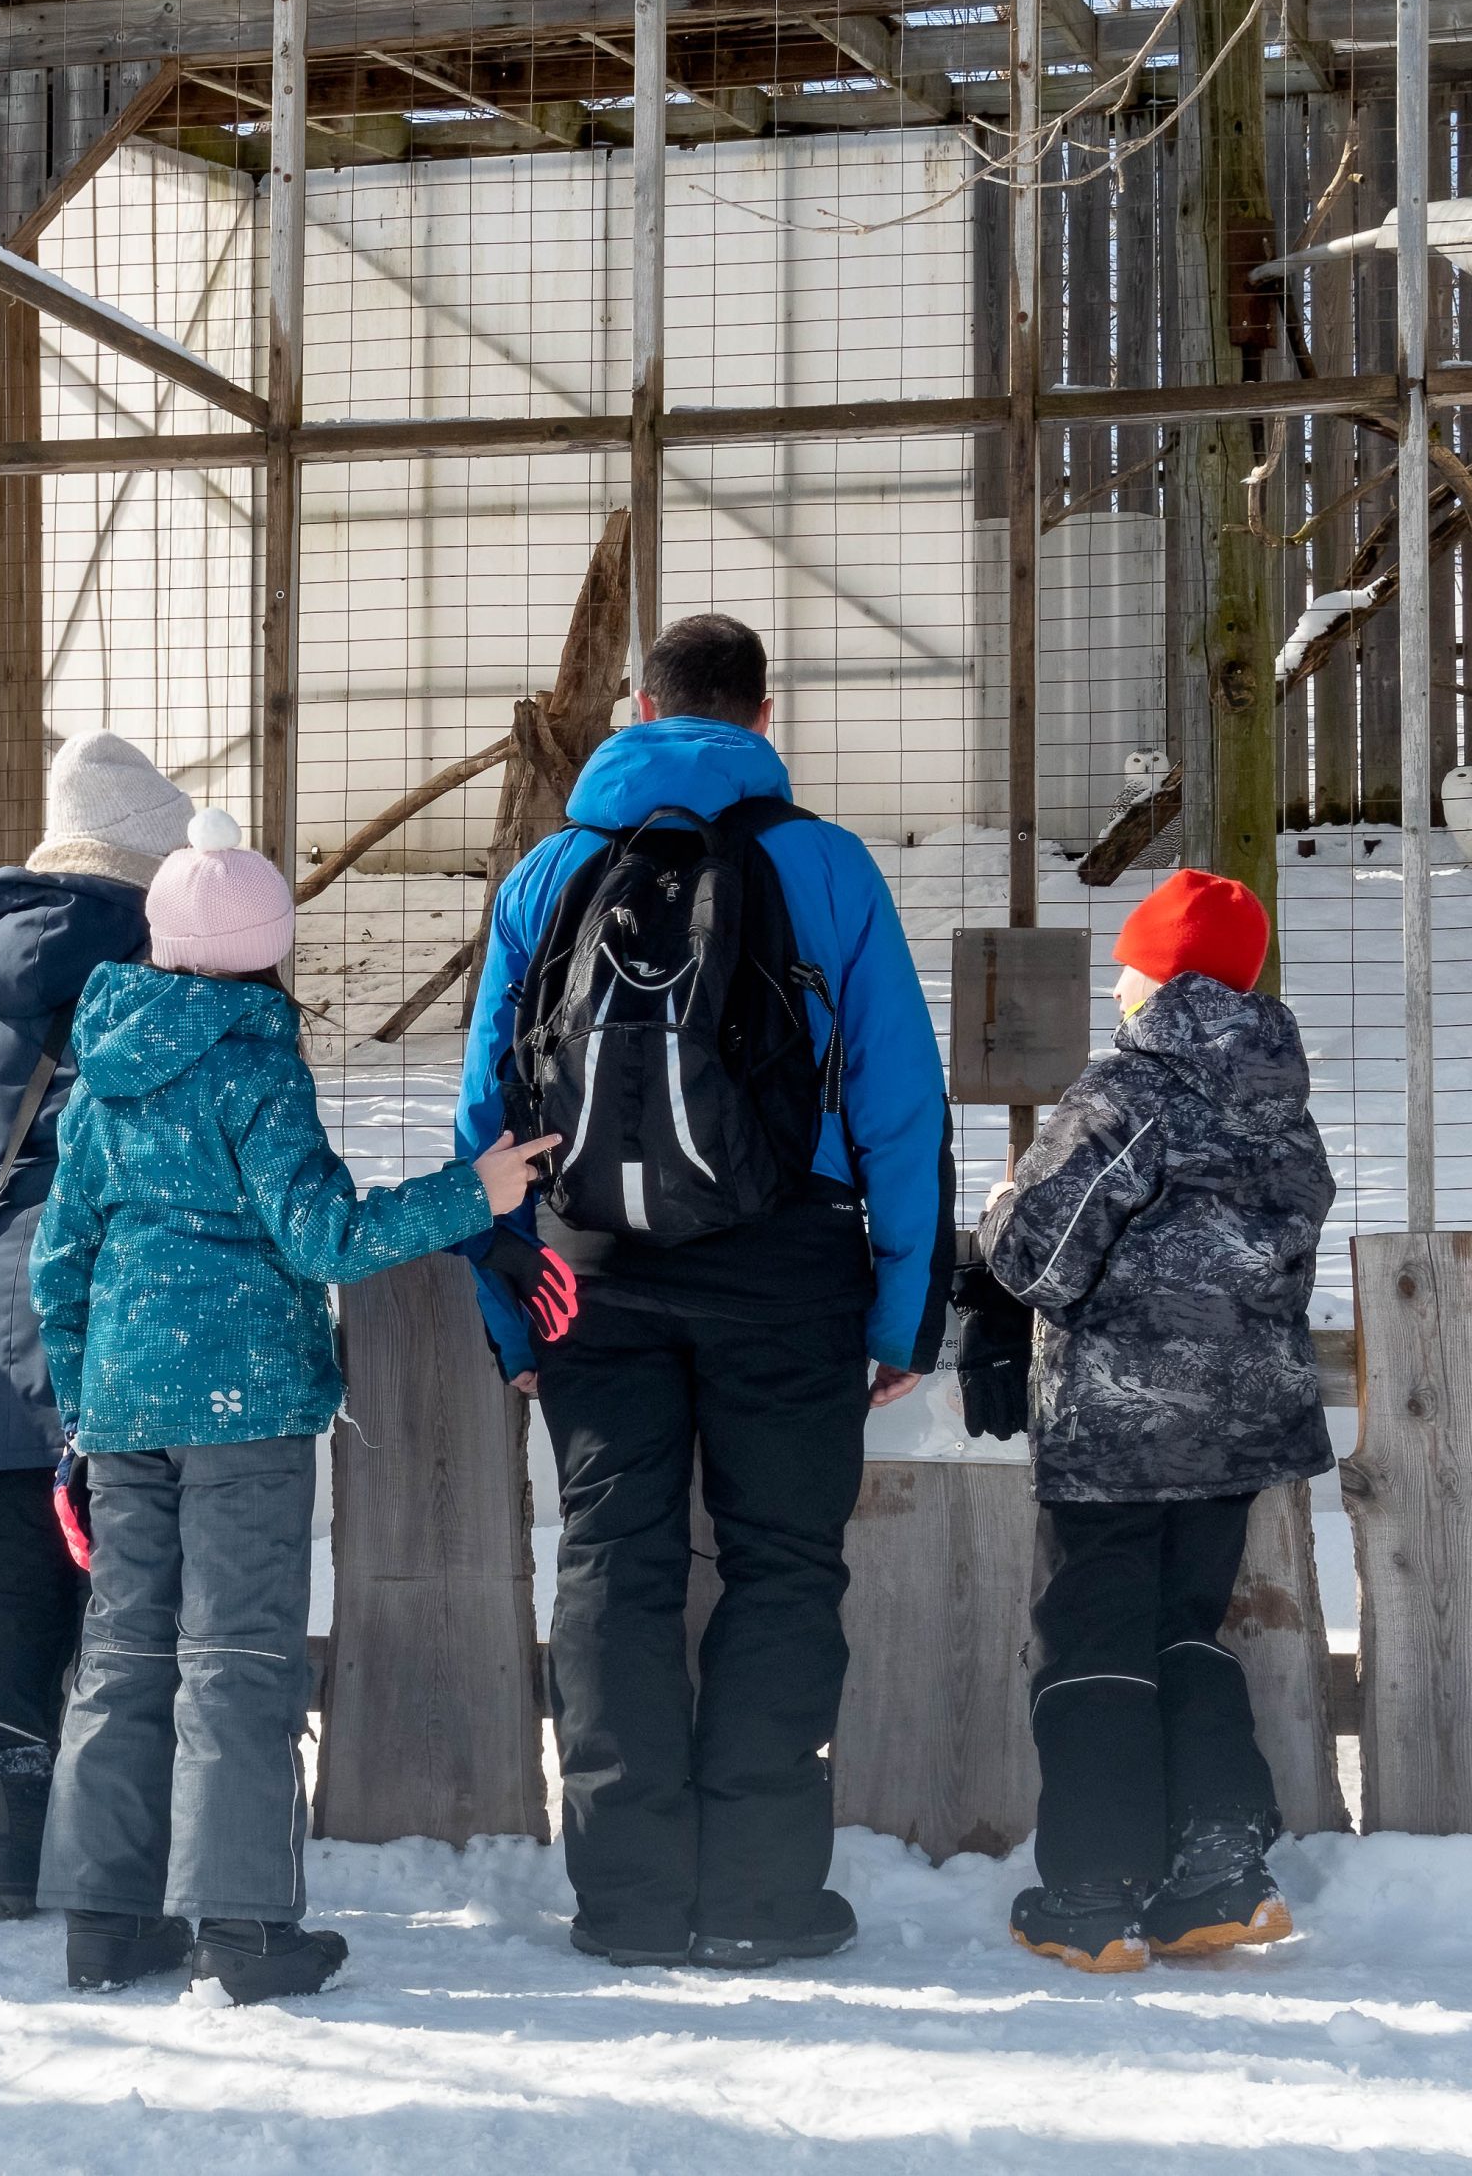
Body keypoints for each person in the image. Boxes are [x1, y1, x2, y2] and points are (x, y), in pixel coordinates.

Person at [458, 612, 950, 1971]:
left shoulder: (549, 871)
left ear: (634, 706)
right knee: (783, 1566)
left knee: (614, 1564)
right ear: (763, 716)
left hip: (591, 1276)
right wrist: (904, 1307)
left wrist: (516, 1311)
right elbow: (901, 1103)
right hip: (789, 1268)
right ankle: (759, 1893)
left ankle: (623, 1897)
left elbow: (482, 1116)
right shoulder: (828, 866)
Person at [30, 807, 563, 2001]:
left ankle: (105, 1920)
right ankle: (245, 1928)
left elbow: (56, 1262)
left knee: (122, 1658)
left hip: (122, 1404)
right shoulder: (256, 1063)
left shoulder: (101, 1070)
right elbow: (323, 1236)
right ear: (269, 948)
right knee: (234, 1659)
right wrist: (468, 1192)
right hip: (244, 1404)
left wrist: (80, 1408)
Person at [977, 868, 1335, 1974]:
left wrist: (997, 1213)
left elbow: (1038, 1250)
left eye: (1129, 967)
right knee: (1186, 1624)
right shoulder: (1282, 1104)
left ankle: (1090, 1890)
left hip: (1121, 1421)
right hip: (1238, 1424)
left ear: (1153, 978)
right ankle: (1217, 1873)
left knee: (1095, 1632)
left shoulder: (1124, 1094)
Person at [0, 728, 193, 1918]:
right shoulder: (174, 963)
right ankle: (129, 1839)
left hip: (8, 1297)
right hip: (136, 1283)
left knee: (24, 1566)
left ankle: (11, 1837)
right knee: (137, 1562)